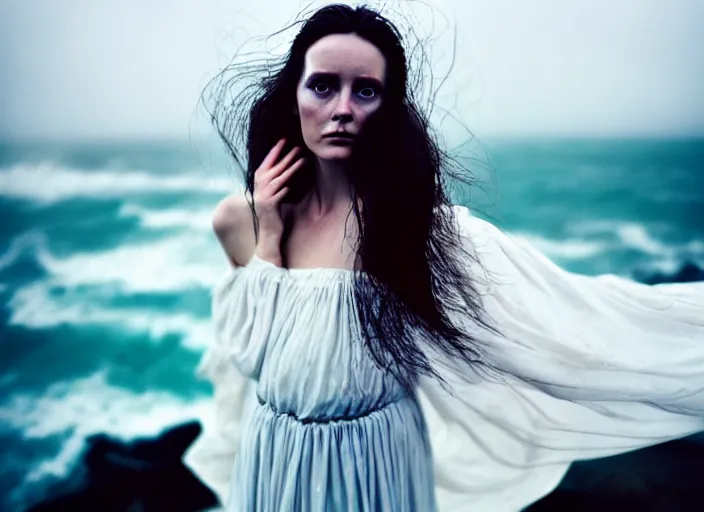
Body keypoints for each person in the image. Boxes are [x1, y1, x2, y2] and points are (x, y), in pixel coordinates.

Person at [183, 4, 704, 511]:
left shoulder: (415, 228)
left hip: (377, 460)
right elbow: (250, 357)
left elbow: (572, 317)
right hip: (274, 455)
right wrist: (271, 234)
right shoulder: (240, 220)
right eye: (323, 85)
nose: (342, 107)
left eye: (365, 90)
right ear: (293, 93)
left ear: (387, 109)